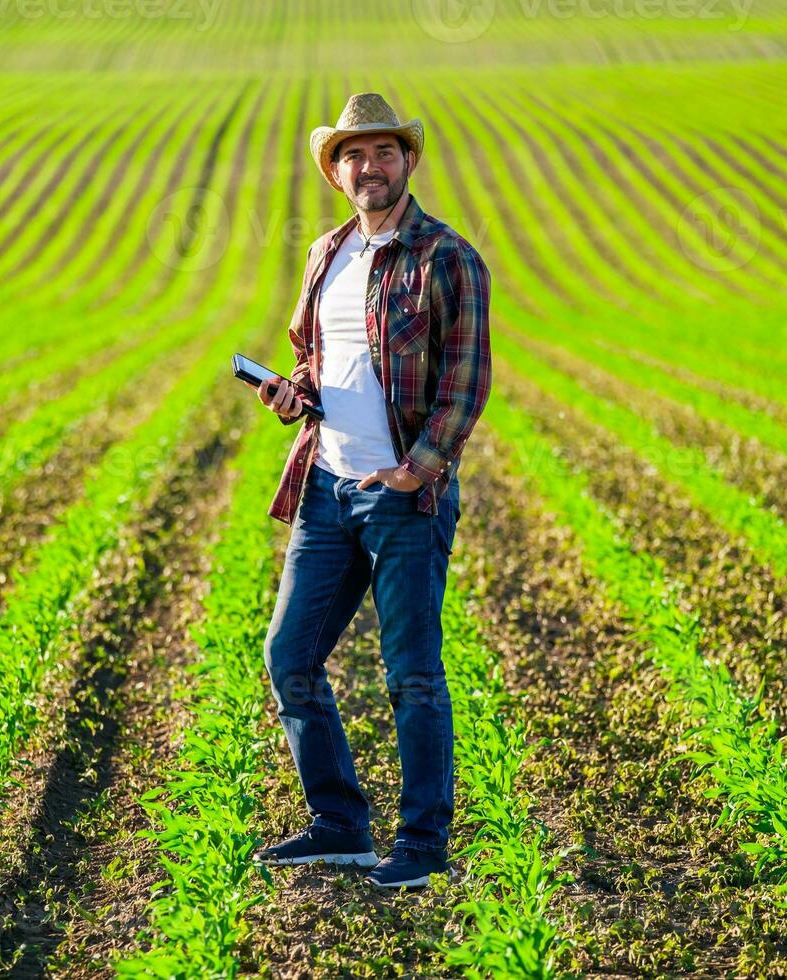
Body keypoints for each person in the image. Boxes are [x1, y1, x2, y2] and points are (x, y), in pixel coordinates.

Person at [252, 92, 493, 889]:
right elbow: (318, 362)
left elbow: (465, 382)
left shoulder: (445, 257)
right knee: (290, 656)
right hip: (326, 488)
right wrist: (293, 394)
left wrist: (416, 469)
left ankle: (422, 844)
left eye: (384, 152)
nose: (369, 167)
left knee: (412, 672)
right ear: (336, 170)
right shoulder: (327, 253)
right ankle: (340, 823)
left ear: (408, 161)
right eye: (353, 155)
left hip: (402, 498)